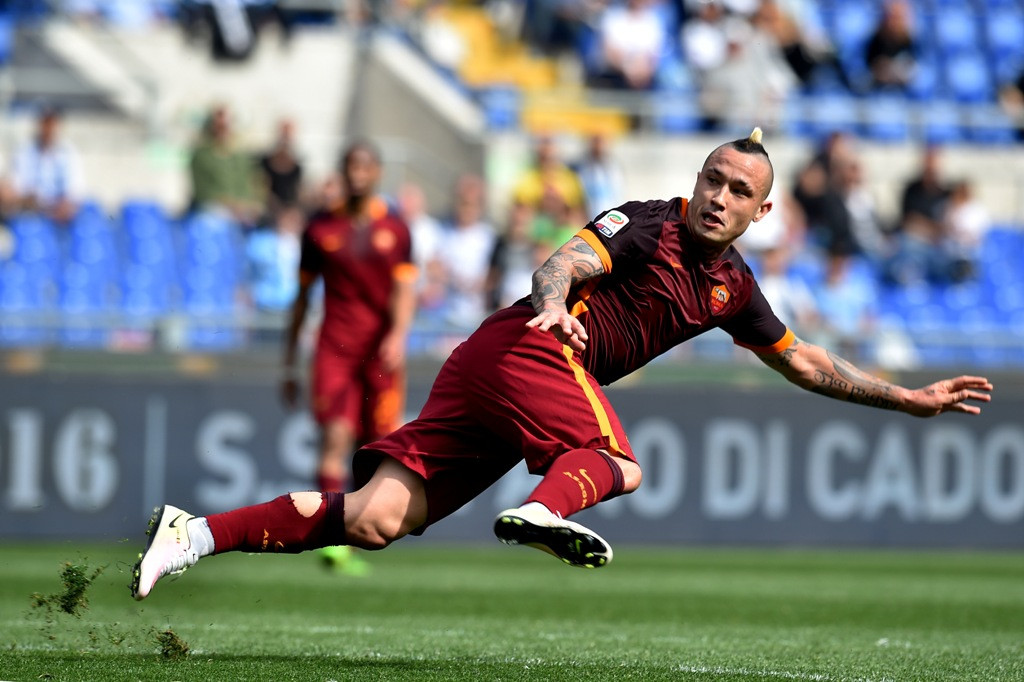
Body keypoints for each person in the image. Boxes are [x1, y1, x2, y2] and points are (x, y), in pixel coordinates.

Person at [130, 129, 992, 601]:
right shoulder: (647, 223)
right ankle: (543, 513)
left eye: (739, 191)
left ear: (762, 210)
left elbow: (805, 361)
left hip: (493, 370)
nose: (719, 197)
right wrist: (550, 300)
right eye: (713, 178)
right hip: (527, 345)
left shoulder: (733, 288)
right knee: (619, 464)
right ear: (695, 179)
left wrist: (905, 397)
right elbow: (565, 261)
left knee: (375, 519)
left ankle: (193, 533)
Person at [279, 139, 418, 573]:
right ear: (342, 172)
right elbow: (301, 296)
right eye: (350, 166)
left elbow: (404, 289)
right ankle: (332, 542)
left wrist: (397, 335)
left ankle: (351, 539)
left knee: (372, 447)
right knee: (335, 437)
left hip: (379, 355)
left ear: (376, 173)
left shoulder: (395, 229)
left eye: (364, 166)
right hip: (334, 350)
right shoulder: (320, 229)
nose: (357, 174)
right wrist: (288, 359)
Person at [10, 107, 84, 225]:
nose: (49, 129)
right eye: (46, 124)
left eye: (52, 124)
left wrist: (63, 204)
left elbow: (75, 189)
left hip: (60, 213)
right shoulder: (24, 151)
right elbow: (17, 185)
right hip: (29, 211)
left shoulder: (68, 152)